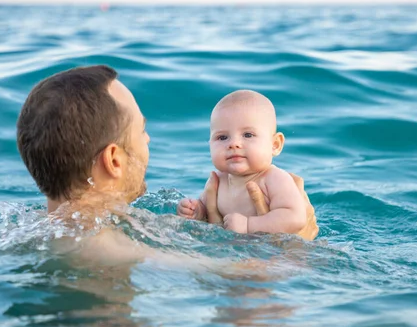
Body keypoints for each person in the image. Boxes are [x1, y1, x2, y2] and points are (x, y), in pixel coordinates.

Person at [16, 65, 318, 269]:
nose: (148, 139)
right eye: (140, 131)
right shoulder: (106, 249)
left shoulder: (28, 230)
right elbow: (243, 276)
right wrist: (294, 248)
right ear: (114, 160)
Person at [177, 90, 318, 239]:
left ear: (275, 145)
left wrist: (249, 225)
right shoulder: (218, 181)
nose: (234, 144)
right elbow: (206, 211)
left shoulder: (274, 178)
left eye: (248, 135)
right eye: (222, 137)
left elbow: (295, 218)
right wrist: (196, 211)